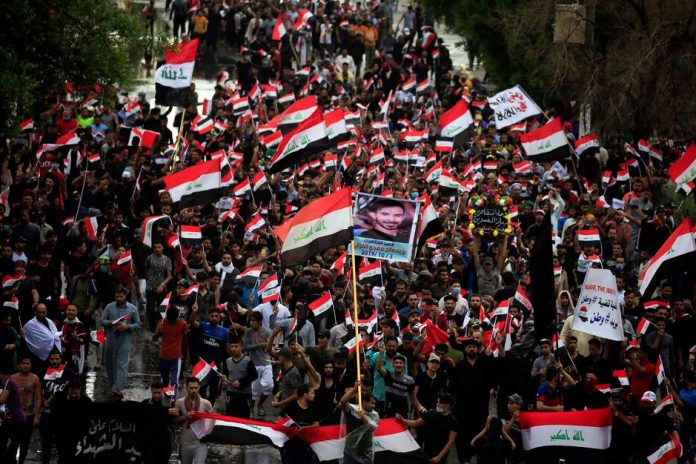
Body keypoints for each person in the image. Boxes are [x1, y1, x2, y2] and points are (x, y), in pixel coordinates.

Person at [101, 286, 141, 397]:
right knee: (109, 362)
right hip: (110, 339)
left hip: (125, 340)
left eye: (121, 296)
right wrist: (112, 322)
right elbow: (102, 321)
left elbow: (138, 324)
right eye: (117, 296)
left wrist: (127, 326)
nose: (119, 298)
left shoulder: (132, 308)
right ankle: (113, 385)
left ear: (125, 296)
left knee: (122, 363)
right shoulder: (109, 307)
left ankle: (117, 387)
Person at [397, 393, 458, 463]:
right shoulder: (431, 413)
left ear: (447, 405)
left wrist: (439, 457)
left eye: (439, 403)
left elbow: (451, 441)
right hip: (427, 450)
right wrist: (402, 420)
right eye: (437, 402)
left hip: (441, 453)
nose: (437, 404)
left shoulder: (453, 421)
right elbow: (416, 423)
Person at [173, 377, 214, 464]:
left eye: (196, 388)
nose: (194, 390)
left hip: (200, 443)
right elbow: (174, 421)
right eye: (191, 388)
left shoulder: (206, 403)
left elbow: (212, 421)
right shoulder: (179, 402)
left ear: (199, 387)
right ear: (186, 388)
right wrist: (185, 417)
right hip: (185, 442)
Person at [10, 356, 41, 464]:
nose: (25, 365)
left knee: (25, 443)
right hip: (14, 416)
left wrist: (37, 416)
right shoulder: (12, 378)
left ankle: (21, 461)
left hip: (28, 415)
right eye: (23, 363)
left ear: (31, 365)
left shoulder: (34, 378)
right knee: (13, 442)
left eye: (28, 363)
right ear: (19, 365)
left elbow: (38, 398)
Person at [339, 381, 379, 464]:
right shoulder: (353, 409)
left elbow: (372, 427)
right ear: (364, 402)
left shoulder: (375, 415)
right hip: (350, 451)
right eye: (372, 403)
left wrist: (363, 417)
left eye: (375, 404)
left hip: (366, 452)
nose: (374, 406)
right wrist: (354, 389)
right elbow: (343, 402)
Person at [279, 383, 318, 463]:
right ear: (305, 394)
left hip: (305, 448)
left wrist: (307, 428)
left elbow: (317, 423)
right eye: (312, 393)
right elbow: (279, 420)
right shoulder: (291, 407)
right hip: (290, 448)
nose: (314, 395)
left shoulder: (312, 408)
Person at [244, 311, 273, 417]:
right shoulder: (248, 331)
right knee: (254, 390)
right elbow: (245, 347)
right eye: (250, 320)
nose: (251, 323)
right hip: (253, 363)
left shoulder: (267, 332)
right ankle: (251, 409)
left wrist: (269, 347)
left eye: (253, 321)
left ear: (260, 321)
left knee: (269, 386)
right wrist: (258, 345)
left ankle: (260, 404)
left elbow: (270, 348)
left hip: (266, 362)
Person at [222, 335, 257, 418]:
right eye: (232, 347)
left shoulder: (247, 361)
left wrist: (241, 382)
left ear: (241, 347)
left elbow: (254, 375)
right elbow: (226, 373)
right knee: (230, 416)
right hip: (231, 393)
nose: (233, 349)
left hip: (244, 394)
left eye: (236, 346)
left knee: (243, 417)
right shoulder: (227, 361)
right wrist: (224, 377)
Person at [155, 306, 188, 392]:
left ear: (177, 316)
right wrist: (159, 331)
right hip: (163, 357)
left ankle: (173, 400)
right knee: (165, 381)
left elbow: (185, 339)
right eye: (170, 319)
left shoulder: (183, 324)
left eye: (174, 319)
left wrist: (184, 354)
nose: (172, 321)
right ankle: (167, 395)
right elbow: (154, 338)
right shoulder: (162, 322)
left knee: (174, 382)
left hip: (176, 358)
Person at [0, 361, 26, 464]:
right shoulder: (9, 382)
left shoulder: (9, 382)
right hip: (11, 420)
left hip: (17, 420)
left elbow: (2, 400)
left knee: (12, 448)